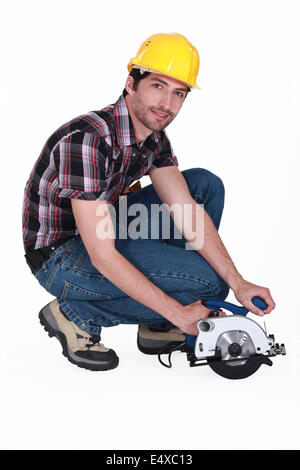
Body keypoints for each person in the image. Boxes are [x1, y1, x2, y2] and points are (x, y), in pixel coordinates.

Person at [22, 32, 275, 371]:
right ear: (131, 83)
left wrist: (238, 281)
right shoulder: (87, 142)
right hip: (62, 256)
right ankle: (75, 313)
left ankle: (157, 327)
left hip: (102, 225)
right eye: (158, 85)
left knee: (204, 186)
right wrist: (181, 311)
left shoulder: (154, 138)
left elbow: (187, 211)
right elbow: (102, 255)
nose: (167, 104)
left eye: (179, 93)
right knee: (206, 284)